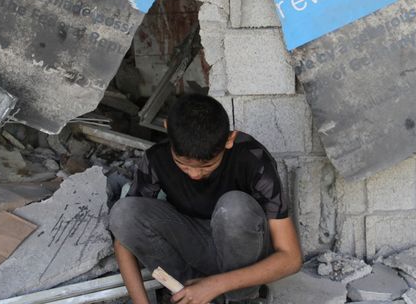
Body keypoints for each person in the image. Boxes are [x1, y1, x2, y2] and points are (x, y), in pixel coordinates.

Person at [108, 94, 302, 304]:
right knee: (123, 212)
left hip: (243, 257)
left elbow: (291, 258)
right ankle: (189, 295)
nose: (194, 174)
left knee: (234, 207)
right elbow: (124, 237)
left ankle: (241, 299)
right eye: (183, 164)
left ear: (229, 140)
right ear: (167, 129)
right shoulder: (157, 159)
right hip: (196, 248)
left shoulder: (252, 158)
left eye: (207, 166)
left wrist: (215, 285)